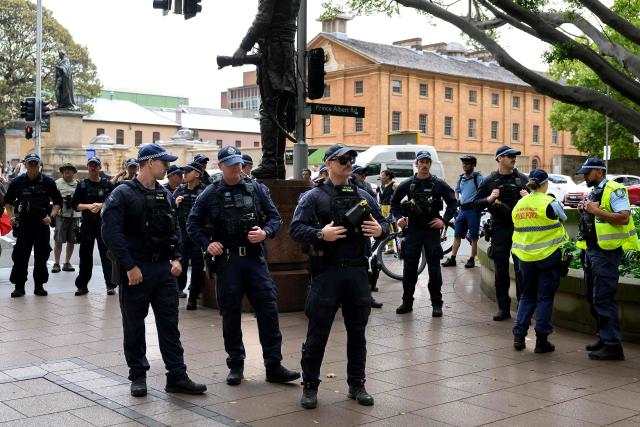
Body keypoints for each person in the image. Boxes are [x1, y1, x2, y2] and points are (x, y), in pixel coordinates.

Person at [187, 146, 300, 386]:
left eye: (238, 163)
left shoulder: (256, 188)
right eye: (231, 164)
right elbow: (192, 224)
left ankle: (273, 365)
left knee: (268, 310)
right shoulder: (210, 193)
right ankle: (236, 364)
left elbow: (275, 218)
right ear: (220, 167)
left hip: (254, 259)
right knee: (230, 314)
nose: (237, 168)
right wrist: (208, 244)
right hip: (228, 262)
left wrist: (265, 232)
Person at [102, 143, 207, 397]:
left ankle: (177, 376)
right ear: (149, 163)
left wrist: (178, 258)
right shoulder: (123, 193)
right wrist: (129, 265)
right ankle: (138, 376)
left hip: (163, 270)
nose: (169, 168)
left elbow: (175, 230)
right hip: (136, 271)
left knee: (170, 325)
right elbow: (110, 233)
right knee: (135, 326)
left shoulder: (165, 195)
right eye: (164, 163)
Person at [290, 143, 387, 410]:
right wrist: (322, 234)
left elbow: (385, 224)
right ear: (329, 163)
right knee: (317, 332)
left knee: (358, 332)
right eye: (342, 159)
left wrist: (379, 230)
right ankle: (310, 386)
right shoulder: (313, 196)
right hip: (327, 272)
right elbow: (296, 229)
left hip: (356, 271)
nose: (348, 163)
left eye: (351, 159)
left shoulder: (363, 194)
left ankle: (357, 384)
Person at [576, 158, 639, 360]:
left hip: (606, 253)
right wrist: (585, 209)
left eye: (587, 172)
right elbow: (596, 218)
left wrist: (595, 211)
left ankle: (613, 346)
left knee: (603, 298)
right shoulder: (595, 190)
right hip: (592, 251)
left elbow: (624, 217)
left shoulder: (615, 189)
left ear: (599, 172)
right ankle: (604, 338)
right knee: (593, 298)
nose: (584, 176)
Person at [232, 0, 301, 179]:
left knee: (269, 111)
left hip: (273, 51)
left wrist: (243, 47)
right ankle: (277, 164)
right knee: (279, 112)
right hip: (285, 51)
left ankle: (270, 162)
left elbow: (263, 19)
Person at [391, 151, 457, 316]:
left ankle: (437, 304)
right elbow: (394, 203)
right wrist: (398, 218)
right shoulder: (407, 184)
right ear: (416, 163)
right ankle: (407, 302)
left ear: (430, 164)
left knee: (434, 269)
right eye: (422, 162)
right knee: (409, 269)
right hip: (412, 231)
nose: (425, 164)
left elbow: (453, 203)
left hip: (431, 231)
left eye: (428, 161)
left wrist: (444, 221)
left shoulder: (439, 184)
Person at [511, 169, 568, 353]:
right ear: (545, 184)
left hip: (525, 258)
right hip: (547, 257)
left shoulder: (520, 203)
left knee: (527, 296)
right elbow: (564, 218)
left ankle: (519, 337)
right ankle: (541, 341)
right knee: (544, 298)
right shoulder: (550, 202)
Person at [473, 146, 529, 321]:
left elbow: (539, 202)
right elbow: (475, 204)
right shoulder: (490, 180)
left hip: (520, 229)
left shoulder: (522, 179)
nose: (514, 158)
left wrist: (529, 197)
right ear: (499, 159)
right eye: (510, 156)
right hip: (499, 228)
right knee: (501, 270)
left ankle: (522, 307)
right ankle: (503, 308)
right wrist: (489, 199)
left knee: (522, 269)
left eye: (514, 156)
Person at [4, 153, 62, 297]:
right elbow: (8, 202)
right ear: (25, 165)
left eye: (35, 163)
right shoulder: (17, 182)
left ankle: (39, 286)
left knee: (41, 256)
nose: (33, 166)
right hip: (23, 224)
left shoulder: (48, 182)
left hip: (41, 224)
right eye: (30, 163)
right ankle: (19, 287)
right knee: (20, 256)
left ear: (39, 165)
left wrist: (51, 216)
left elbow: (57, 203)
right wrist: (11, 217)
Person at [72, 157, 116, 296]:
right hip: (87, 225)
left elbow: (114, 202)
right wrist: (89, 206)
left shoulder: (107, 184)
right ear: (87, 167)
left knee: (107, 256)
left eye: (96, 166)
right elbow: (75, 205)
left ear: (100, 167)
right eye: (91, 165)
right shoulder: (82, 185)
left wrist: (101, 205)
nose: (93, 168)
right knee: (85, 256)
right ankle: (82, 286)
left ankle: (110, 285)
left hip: (104, 225)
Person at [174, 162, 207, 308]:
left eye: (188, 171)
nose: (184, 174)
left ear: (198, 174)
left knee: (198, 266)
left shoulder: (205, 191)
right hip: (182, 234)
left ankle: (193, 296)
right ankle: (177, 290)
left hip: (198, 235)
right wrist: (174, 203)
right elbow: (168, 209)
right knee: (180, 262)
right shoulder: (180, 190)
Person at [443, 155, 484, 269]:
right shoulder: (461, 178)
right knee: (457, 235)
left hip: (473, 211)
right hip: (462, 211)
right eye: (463, 163)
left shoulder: (478, 178)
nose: (464, 165)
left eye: (467, 163)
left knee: (474, 237)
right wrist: (457, 200)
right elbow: (457, 190)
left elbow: (484, 190)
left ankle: (472, 259)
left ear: (473, 165)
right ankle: (452, 258)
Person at [52, 163, 81, 273]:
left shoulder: (78, 184)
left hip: (75, 216)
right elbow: (52, 198)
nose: (67, 171)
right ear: (62, 172)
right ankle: (56, 263)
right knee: (58, 240)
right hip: (61, 215)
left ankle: (67, 262)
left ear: (74, 172)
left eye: (70, 169)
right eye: (65, 170)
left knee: (72, 241)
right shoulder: (56, 184)